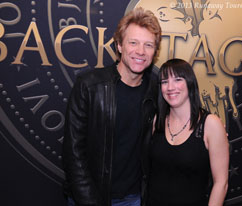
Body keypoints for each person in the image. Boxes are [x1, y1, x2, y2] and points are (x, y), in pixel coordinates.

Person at [62, 7, 161, 206]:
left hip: (133, 199)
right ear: (119, 46)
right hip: (90, 199)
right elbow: (73, 154)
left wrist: (210, 130)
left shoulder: (157, 88)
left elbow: (183, 117)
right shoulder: (89, 85)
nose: (140, 51)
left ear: (155, 52)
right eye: (133, 42)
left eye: (148, 45)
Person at [146, 59, 229, 206]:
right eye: (164, 82)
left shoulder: (210, 124)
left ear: (190, 83)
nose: (170, 87)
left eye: (177, 79)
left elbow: (221, 183)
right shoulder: (157, 121)